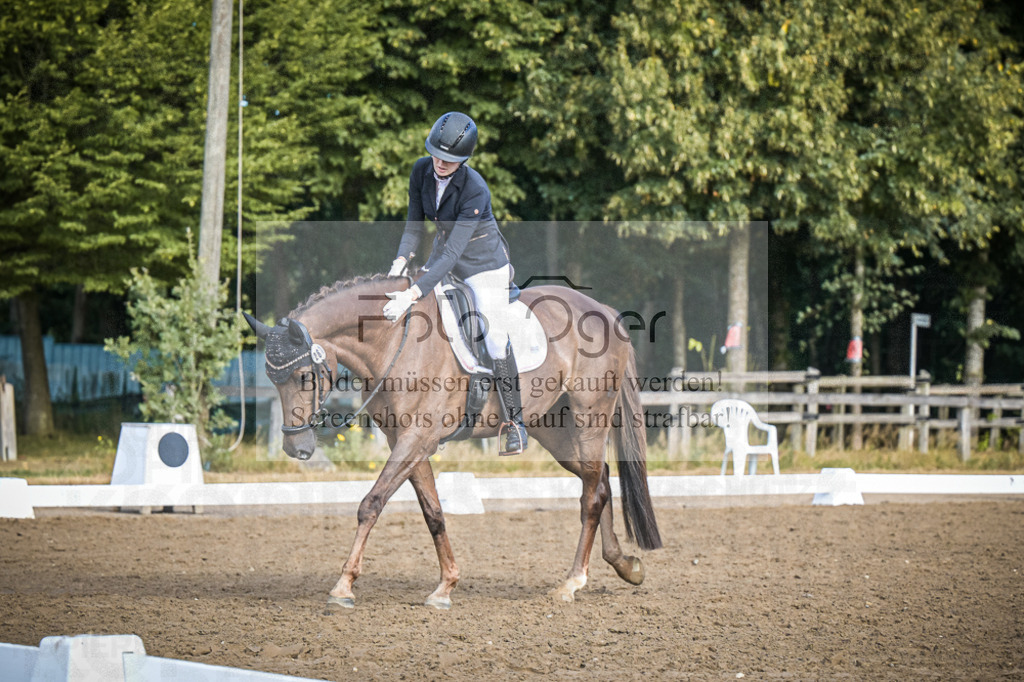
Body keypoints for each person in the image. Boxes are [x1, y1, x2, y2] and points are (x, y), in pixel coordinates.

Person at [382, 112, 527, 456]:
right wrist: (399, 265)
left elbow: (454, 254)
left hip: (482, 264)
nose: (441, 163)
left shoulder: (475, 189)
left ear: (463, 160)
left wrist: (415, 291)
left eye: (450, 160)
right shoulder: (420, 170)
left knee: (493, 336)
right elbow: (413, 226)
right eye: (437, 155)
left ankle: (515, 423)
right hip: (441, 256)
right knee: (423, 320)